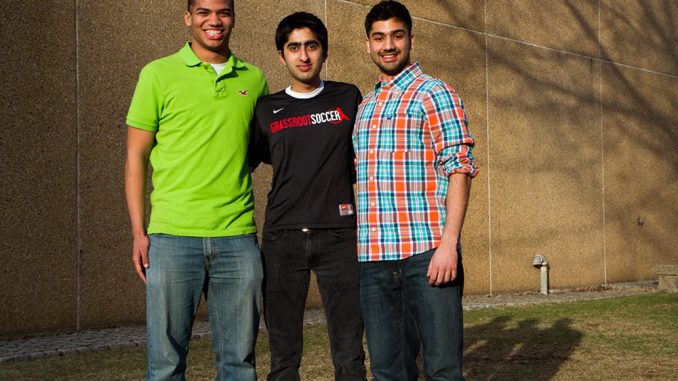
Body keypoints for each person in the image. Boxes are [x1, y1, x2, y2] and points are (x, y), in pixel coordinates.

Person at [124, 0, 267, 379]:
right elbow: (135, 158)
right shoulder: (157, 74)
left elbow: (253, 151)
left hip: (238, 238)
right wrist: (139, 232)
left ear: (233, 18)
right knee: (166, 365)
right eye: (203, 12)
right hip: (171, 237)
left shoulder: (254, 79)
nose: (214, 21)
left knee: (239, 364)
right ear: (188, 18)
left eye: (223, 12)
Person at [353, 1, 477, 380]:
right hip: (374, 259)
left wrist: (448, 245)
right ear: (368, 44)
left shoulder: (434, 93)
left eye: (396, 35)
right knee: (388, 370)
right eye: (379, 37)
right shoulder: (366, 106)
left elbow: (460, 168)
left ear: (409, 38)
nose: (387, 45)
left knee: (442, 367)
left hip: (427, 255)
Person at [249, 11, 367, 381]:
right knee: (283, 358)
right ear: (281, 55)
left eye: (311, 46)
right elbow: (256, 158)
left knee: (349, 355)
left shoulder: (347, 97)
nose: (303, 55)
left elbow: (360, 156)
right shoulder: (266, 108)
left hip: (340, 236)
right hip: (282, 237)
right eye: (294, 47)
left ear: (324, 52)